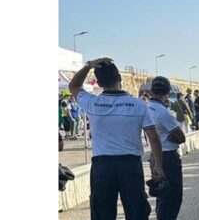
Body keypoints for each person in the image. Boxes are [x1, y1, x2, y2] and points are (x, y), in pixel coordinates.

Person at [69, 57, 164, 220]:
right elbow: (154, 138)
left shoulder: (92, 103)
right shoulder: (138, 104)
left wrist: (88, 66)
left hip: (102, 166)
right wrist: (159, 167)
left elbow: (74, 86)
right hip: (130, 165)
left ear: (98, 83)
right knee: (137, 213)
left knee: (102, 214)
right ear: (119, 79)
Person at [146, 77, 186, 220]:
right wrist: (170, 138)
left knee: (161, 196)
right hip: (168, 157)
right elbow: (181, 137)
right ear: (168, 92)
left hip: (154, 156)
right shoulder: (163, 112)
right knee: (172, 198)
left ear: (151, 91)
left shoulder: (146, 108)